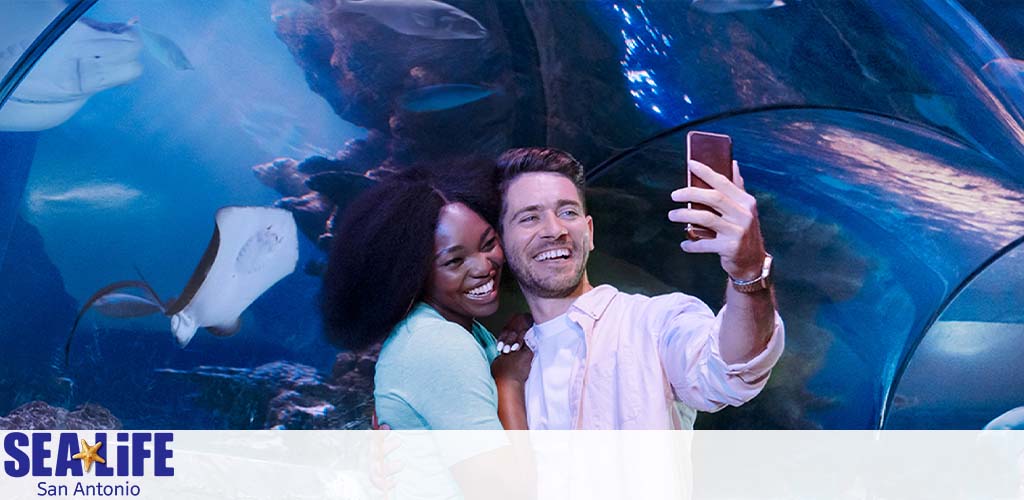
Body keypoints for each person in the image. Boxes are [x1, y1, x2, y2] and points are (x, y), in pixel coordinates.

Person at [493, 147, 785, 430]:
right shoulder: (503, 362)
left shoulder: (654, 323)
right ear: (502, 243)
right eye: (530, 217)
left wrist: (749, 272)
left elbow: (733, 368)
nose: (555, 230)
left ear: (590, 232)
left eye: (568, 212)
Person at [320, 159, 534, 498]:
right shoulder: (439, 343)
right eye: (454, 260)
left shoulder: (459, 328)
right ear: (414, 273)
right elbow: (506, 491)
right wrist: (508, 380)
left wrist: (526, 324)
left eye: (489, 242)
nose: (483, 266)